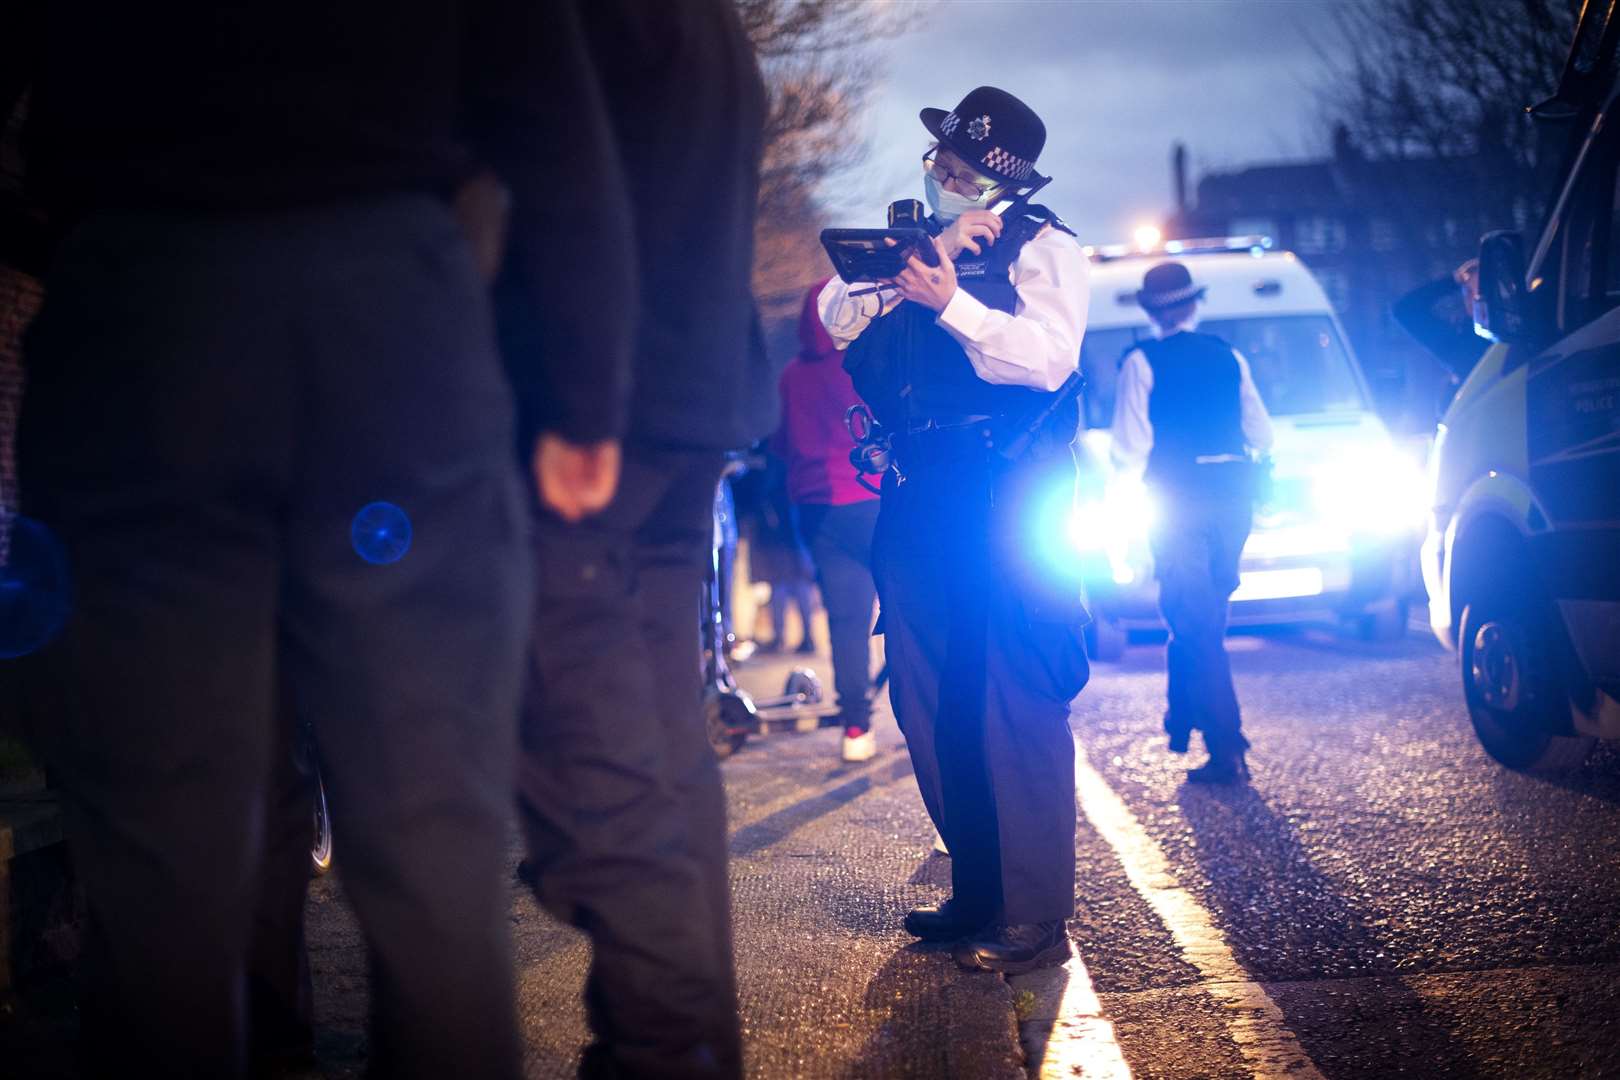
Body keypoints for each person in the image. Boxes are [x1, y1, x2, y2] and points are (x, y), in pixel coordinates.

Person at [14, 3, 632, 1075]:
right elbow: (550, 108)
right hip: (391, 306)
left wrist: (76, 235)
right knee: (433, 822)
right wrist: (584, 396)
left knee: (161, 838)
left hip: (143, 304)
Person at [514, 1, 768, 1075]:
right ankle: (685, 1034)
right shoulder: (713, 29)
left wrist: (569, 398)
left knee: (584, 740)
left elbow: (560, 186)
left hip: (599, 405)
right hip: (695, 401)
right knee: (667, 745)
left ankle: (664, 1045)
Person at [819, 86, 1092, 973]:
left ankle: (1035, 915)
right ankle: (979, 890)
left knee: (1015, 693)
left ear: (999, 182)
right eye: (938, 161)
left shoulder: (1047, 248)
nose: (940, 175)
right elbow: (835, 314)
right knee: (928, 695)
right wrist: (927, 260)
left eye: (959, 170)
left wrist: (950, 303)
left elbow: (1049, 361)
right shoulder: (911, 247)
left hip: (1007, 492)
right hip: (918, 491)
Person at [1110, 261, 1275, 784]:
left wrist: (1121, 529)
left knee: (1194, 625)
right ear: (1193, 304)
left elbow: (1130, 452)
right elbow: (1262, 434)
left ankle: (1227, 746)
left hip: (1177, 504)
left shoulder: (1141, 361)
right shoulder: (1229, 355)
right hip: (1232, 504)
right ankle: (1181, 723)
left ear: (1152, 312)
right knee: (1201, 621)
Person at [776, 278, 882, 762]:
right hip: (873, 498)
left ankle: (855, 727)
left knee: (846, 619)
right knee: (908, 607)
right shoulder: (863, 361)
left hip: (818, 508)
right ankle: (929, 714)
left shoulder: (791, 378)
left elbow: (780, 444)